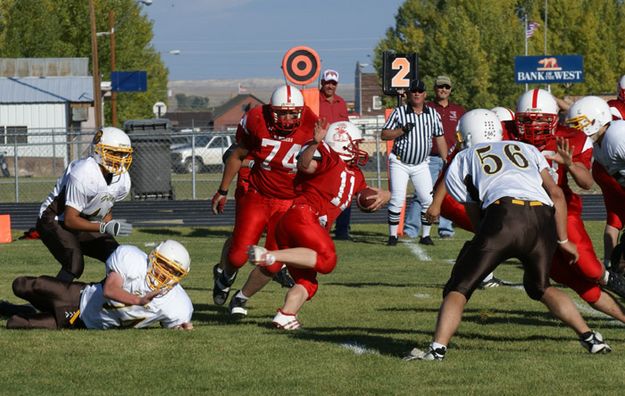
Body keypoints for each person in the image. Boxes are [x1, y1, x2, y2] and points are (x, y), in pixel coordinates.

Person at [405, 130, 611, 361]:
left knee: (459, 287)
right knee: (541, 287)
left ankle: (437, 349)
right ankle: (589, 337)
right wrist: (563, 240)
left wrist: (484, 242)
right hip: (543, 218)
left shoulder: (465, 156)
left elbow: (474, 211)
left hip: (505, 216)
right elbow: (556, 194)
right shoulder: (526, 148)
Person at [247, 121, 390, 329]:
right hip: (304, 215)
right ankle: (272, 257)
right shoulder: (329, 158)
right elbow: (306, 165)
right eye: (355, 143)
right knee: (328, 260)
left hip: (308, 226)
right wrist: (315, 143)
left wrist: (387, 194)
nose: (359, 148)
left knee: (308, 283)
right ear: (342, 143)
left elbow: (365, 194)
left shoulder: (356, 174)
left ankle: (285, 316)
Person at [514, 89, 625, 321]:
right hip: (528, 215)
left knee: (603, 265)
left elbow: (585, 182)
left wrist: (571, 164)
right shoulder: (601, 145)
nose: (535, 127)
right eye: (528, 120)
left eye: (542, 120)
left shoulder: (614, 136)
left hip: (562, 212)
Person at [211, 84, 316, 317]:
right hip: (258, 195)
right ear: (271, 110)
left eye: (293, 113)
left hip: (289, 202)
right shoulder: (257, 119)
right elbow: (236, 155)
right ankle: (225, 275)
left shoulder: (311, 124)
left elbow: (318, 167)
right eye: (282, 112)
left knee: (273, 262)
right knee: (238, 255)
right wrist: (222, 190)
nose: (288, 119)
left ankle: (241, 298)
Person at [2, 240, 193, 330]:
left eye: (173, 272)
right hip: (78, 296)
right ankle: (14, 306)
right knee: (21, 285)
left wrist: (180, 328)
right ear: (152, 258)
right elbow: (110, 289)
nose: (164, 274)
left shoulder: (179, 305)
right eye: (162, 266)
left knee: (15, 324)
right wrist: (139, 300)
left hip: (81, 322)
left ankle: (26, 311)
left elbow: (175, 325)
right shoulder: (132, 258)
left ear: (180, 277)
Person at [425, 109, 511, 289]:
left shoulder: (479, 144)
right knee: (489, 231)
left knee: (489, 231)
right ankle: (471, 275)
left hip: (465, 196)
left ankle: (470, 274)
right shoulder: (466, 151)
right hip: (455, 198)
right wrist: (436, 204)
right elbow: (449, 174)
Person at [37, 127, 133, 282]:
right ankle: (49, 299)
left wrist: (109, 226)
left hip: (83, 220)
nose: (119, 159)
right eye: (114, 153)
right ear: (98, 151)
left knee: (118, 257)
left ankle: (103, 297)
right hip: (54, 220)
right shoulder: (84, 173)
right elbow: (70, 219)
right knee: (74, 264)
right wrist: (103, 227)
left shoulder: (122, 179)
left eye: (122, 154)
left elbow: (105, 206)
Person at [381, 79, 447, 246]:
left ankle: (425, 235)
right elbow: (384, 134)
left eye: (420, 91)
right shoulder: (399, 112)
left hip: (421, 164)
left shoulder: (433, 114)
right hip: (400, 162)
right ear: (409, 94)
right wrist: (401, 130)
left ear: (425, 94)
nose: (417, 93)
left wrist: (446, 159)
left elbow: (439, 138)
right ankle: (392, 236)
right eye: (414, 91)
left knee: (427, 199)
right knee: (397, 198)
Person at [404, 76, 464, 240]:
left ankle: (445, 230)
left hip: (451, 159)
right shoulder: (426, 107)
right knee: (422, 194)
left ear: (450, 90)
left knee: (448, 194)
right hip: (429, 157)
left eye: (446, 87)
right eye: (440, 87)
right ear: (435, 89)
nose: (443, 89)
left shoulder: (459, 111)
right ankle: (411, 229)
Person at [318, 69, 352, 241]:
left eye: (333, 83)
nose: (330, 86)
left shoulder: (341, 102)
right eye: (327, 82)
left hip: (340, 154)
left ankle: (343, 230)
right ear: (322, 82)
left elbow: (345, 125)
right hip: (321, 152)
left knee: (345, 190)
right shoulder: (314, 101)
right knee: (322, 191)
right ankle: (321, 227)